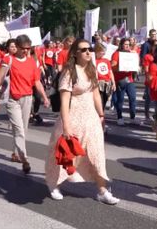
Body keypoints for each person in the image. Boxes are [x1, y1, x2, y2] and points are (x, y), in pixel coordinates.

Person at [45, 39, 119, 205]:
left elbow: (95, 94)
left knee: (97, 153)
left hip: (90, 117)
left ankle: (102, 191)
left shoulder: (91, 69)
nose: (88, 52)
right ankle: (53, 183)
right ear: (75, 53)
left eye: (89, 49)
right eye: (83, 49)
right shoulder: (69, 72)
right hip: (73, 116)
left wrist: (101, 115)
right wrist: (66, 125)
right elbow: (64, 102)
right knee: (66, 154)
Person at [0, 35, 49, 174]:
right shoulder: (9, 59)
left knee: (24, 130)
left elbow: (37, 82)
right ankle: (25, 159)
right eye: (23, 48)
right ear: (16, 47)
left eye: (28, 49)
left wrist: (44, 97)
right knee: (19, 130)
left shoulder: (31, 62)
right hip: (13, 100)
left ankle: (16, 153)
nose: (26, 51)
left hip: (27, 99)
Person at [111, 38, 138, 126]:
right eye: (125, 44)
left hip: (129, 79)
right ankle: (119, 117)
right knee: (120, 99)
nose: (127, 46)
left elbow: (135, 65)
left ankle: (133, 117)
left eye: (128, 44)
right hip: (120, 80)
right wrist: (120, 67)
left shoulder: (131, 54)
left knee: (133, 98)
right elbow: (112, 67)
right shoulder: (116, 54)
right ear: (121, 45)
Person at [94, 43, 115, 110]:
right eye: (101, 51)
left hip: (107, 83)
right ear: (96, 51)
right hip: (99, 83)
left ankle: (101, 113)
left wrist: (113, 83)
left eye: (104, 51)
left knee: (105, 100)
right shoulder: (93, 61)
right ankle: (100, 115)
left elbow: (110, 72)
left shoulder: (106, 61)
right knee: (100, 101)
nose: (103, 53)